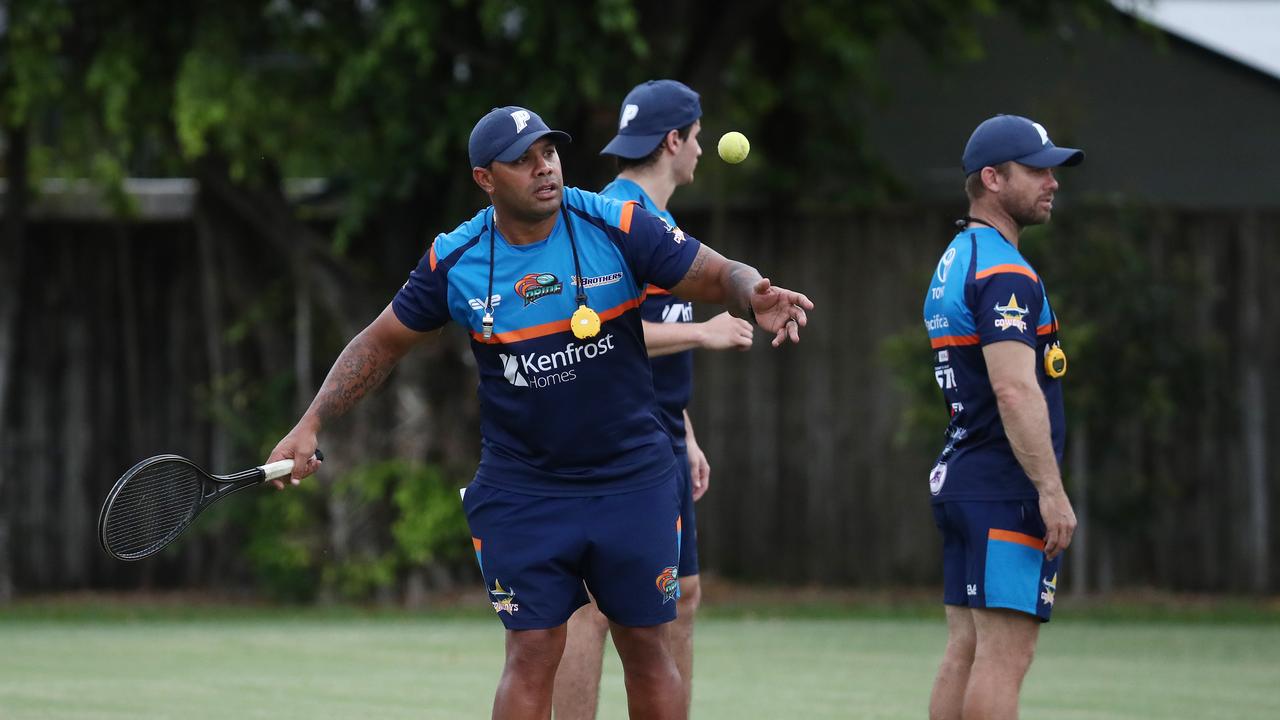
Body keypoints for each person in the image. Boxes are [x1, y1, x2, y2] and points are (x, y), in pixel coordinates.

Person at [267, 105, 812, 720]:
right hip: (523, 488)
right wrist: (311, 421)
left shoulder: (614, 222)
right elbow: (379, 343)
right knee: (531, 650)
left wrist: (752, 292)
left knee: (645, 645)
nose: (544, 168)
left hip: (631, 479)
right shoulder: (457, 258)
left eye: (548, 153)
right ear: (485, 179)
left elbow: (713, 272)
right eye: (523, 160)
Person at [552, 80, 753, 720]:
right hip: (613, 437)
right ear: (675, 141)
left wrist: (686, 431)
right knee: (593, 607)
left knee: (683, 594)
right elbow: (592, 327)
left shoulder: (660, 223)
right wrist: (705, 329)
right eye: (696, 136)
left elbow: (641, 353)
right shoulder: (612, 216)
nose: (699, 149)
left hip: (661, 431)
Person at [921, 114, 1082, 720]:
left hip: (965, 476)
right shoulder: (1004, 270)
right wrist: (1050, 489)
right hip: (1002, 485)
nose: (1052, 181)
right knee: (1003, 658)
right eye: (1037, 170)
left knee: (966, 649)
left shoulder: (958, 255)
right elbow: (1014, 390)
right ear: (992, 178)